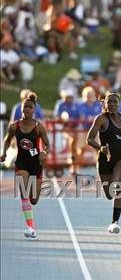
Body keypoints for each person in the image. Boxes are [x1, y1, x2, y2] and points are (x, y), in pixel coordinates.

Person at [86, 92, 121, 233]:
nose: (112, 105)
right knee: (110, 194)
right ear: (105, 104)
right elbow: (89, 139)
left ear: (119, 103)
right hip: (104, 160)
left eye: (115, 102)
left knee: (120, 188)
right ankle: (113, 210)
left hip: (120, 158)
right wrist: (101, 148)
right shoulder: (101, 119)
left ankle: (114, 222)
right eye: (109, 102)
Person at [0, 92, 50, 239]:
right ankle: (30, 227)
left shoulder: (39, 127)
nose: (26, 109)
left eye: (29, 107)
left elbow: (48, 145)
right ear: (21, 108)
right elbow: (7, 140)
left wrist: (44, 153)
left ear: (34, 110)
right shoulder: (14, 126)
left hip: (36, 164)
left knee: (33, 199)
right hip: (21, 163)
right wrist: (4, 152)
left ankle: (30, 215)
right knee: (24, 193)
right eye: (24, 107)